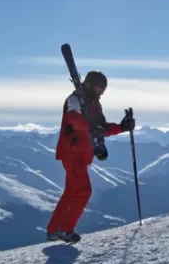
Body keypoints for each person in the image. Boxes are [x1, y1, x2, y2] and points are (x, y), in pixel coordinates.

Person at [47, 71, 135, 243]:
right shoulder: (74, 100)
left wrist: (122, 127)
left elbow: (101, 128)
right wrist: (91, 127)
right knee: (84, 191)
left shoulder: (94, 105)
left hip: (80, 154)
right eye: (99, 88)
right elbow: (73, 119)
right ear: (90, 85)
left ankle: (53, 230)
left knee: (71, 192)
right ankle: (65, 230)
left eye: (103, 89)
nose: (102, 92)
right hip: (73, 153)